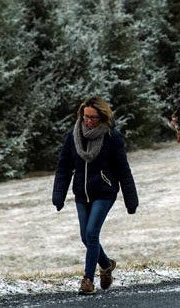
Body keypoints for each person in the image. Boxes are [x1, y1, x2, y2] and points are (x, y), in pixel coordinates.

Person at [52, 96, 139, 295]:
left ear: (102, 117)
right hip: (82, 195)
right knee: (85, 236)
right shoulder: (74, 136)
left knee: (91, 233)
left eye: (92, 117)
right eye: (85, 117)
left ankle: (88, 280)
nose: (88, 121)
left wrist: (131, 200)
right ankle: (107, 265)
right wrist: (59, 195)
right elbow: (63, 167)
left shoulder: (112, 137)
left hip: (104, 193)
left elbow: (123, 170)